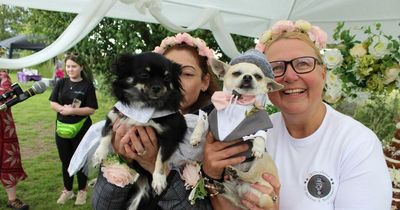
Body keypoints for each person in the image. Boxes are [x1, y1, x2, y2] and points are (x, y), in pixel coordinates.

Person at [201, 19, 393, 210]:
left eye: (303, 64)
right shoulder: (250, 131)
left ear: (323, 73)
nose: (290, 77)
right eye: (276, 68)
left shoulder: (357, 144)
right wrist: (212, 175)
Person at [92, 33, 219, 210]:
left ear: (205, 82)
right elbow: (102, 206)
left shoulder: (218, 133)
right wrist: (123, 162)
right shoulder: (126, 118)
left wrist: (154, 166)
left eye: (187, 73)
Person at [49, 52, 98, 205]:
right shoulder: (61, 83)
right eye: (68, 66)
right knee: (66, 160)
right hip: (62, 128)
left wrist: (73, 111)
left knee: (81, 159)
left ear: (81, 67)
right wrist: (62, 109)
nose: (70, 69)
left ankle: (82, 191)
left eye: (74, 66)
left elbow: (91, 109)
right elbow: (52, 102)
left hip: (81, 129)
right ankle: (68, 191)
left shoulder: (87, 85)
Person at [0, 70, 29, 210]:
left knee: (8, 160)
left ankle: (12, 200)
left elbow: (5, 95)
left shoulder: (2, 75)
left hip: (4, 127)